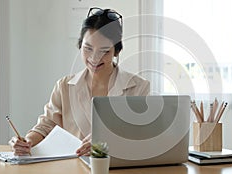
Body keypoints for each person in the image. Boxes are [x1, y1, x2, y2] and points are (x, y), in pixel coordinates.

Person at [8, 7, 150, 156]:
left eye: (104, 51)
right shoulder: (64, 86)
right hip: (73, 167)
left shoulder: (138, 87)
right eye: (87, 48)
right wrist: (26, 142)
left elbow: (142, 136)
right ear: (80, 45)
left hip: (117, 167)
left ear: (116, 51)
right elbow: (45, 127)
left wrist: (108, 139)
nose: (94, 58)